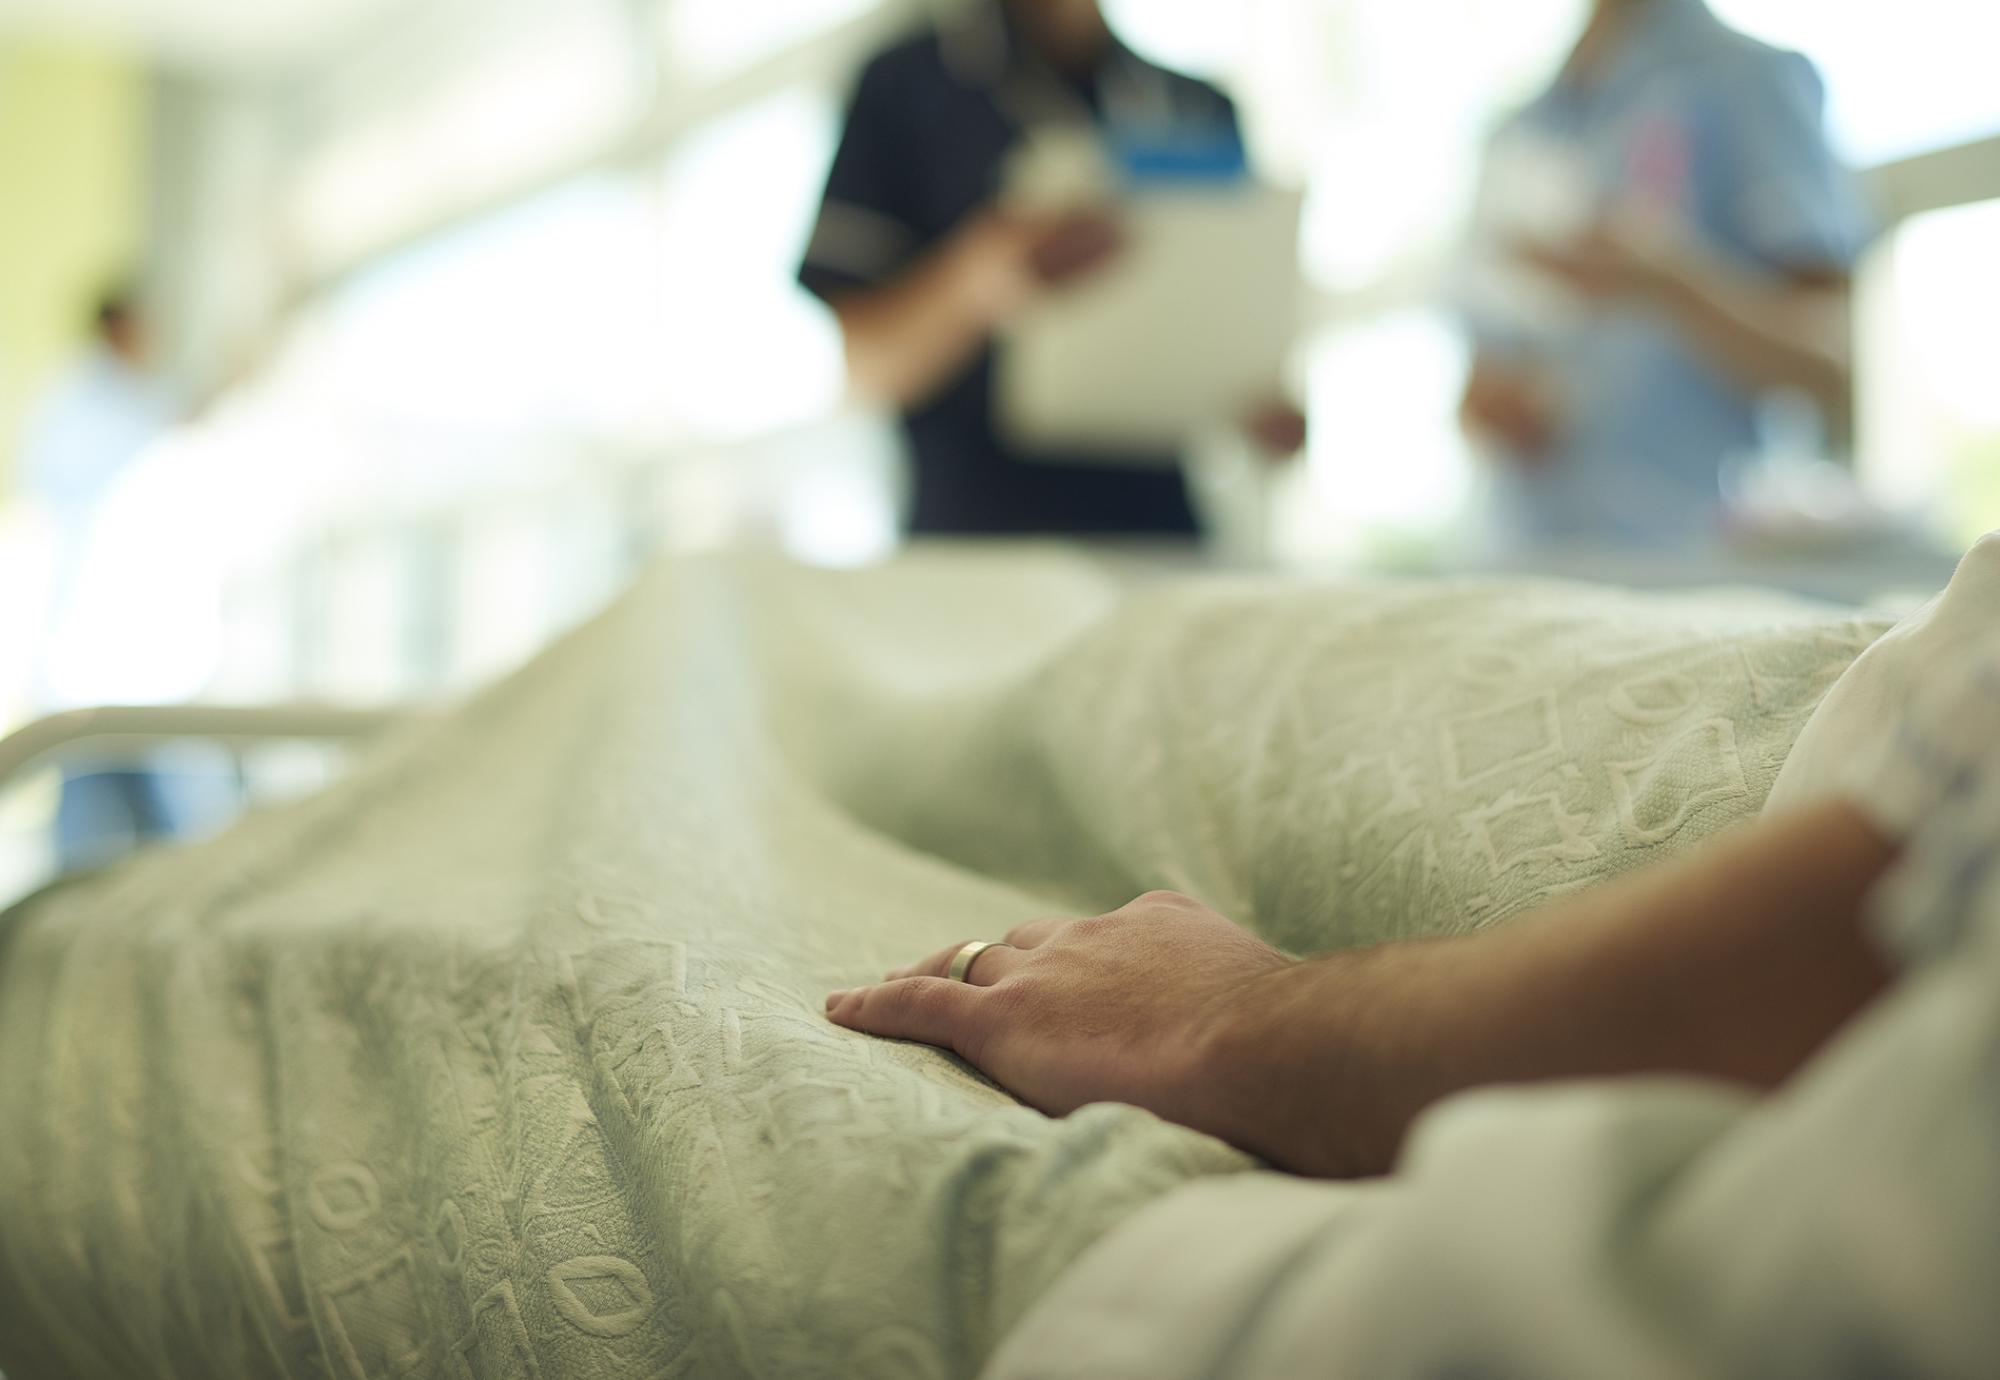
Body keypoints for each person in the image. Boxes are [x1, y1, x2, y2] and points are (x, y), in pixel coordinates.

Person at [829, 536, 2000, 1374]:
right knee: (1173, 663)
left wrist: (1237, 1021)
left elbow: (1832, 948)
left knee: (1161, 677)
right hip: (1852, 701)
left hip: (1811, 786)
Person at [799, 0, 1303, 538]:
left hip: (1160, 540)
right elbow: (866, 368)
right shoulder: (907, 84)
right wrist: (978, 280)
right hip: (975, 542)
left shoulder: (1197, 106)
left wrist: (1261, 410)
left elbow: (1229, 340)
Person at [1457, 0, 1872, 552]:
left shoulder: (1747, 80)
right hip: (1529, 563)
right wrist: (1492, 408)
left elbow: (1829, 356)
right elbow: (1484, 373)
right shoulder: (1519, 128)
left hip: (1702, 568)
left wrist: (1667, 283)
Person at [16, 288, 197, 869]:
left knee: (136, 842)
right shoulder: (96, 413)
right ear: (120, 330)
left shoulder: (103, 408)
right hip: (103, 656)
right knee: (103, 841)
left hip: (124, 660)